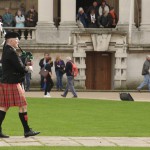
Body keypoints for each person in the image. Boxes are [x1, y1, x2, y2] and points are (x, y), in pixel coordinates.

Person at [0, 31, 40, 138]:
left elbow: (15, 64)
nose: (18, 42)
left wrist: (23, 59)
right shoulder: (11, 52)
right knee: (23, 106)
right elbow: (20, 68)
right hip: (12, 82)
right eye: (17, 40)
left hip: (7, 82)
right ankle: (27, 130)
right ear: (11, 40)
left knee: (4, 107)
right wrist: (28, 68)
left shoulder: (7, 50)